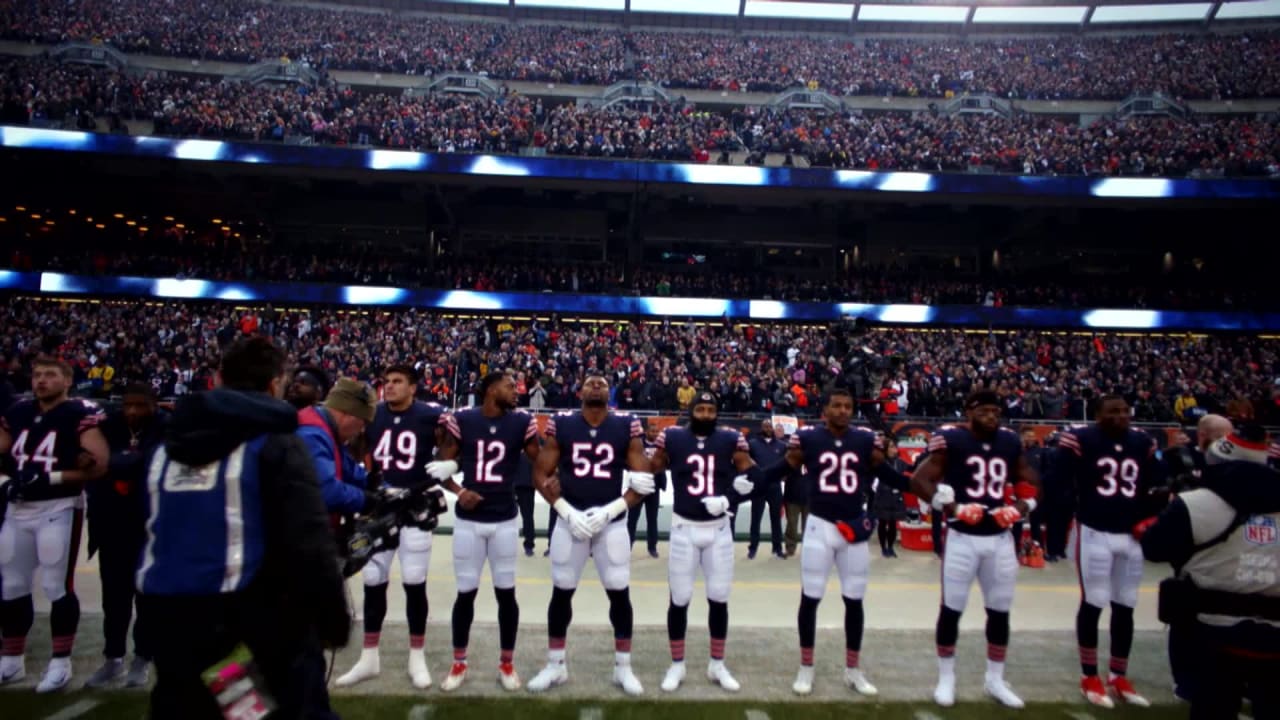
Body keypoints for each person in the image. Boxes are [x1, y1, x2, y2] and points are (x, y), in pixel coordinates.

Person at [134, 336, 351, 719]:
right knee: (270, 710)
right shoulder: (275, 445)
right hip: (245, 628)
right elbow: (309, 542)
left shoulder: (162, 448)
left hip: (167, 621)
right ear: (274, 385)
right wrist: (332, 619)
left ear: (217, 379)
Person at [768, 388, 903, 696]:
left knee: (854, 600)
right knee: (810, 598)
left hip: (853, 526)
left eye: (848, 405)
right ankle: (806, 668)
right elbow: (783, 468)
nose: (843, 410)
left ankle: (853, 670)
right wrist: (754, 480)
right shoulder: (809, 438)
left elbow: (887, 472)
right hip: (819, 526)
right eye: (837, 405)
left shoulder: (865, 439)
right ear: (825, 409)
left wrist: (922, 487)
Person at [911, 390, 1040, 709]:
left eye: (996, 411)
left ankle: (995, 679)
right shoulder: (952, 440)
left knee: (999, 611)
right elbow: (920, 480)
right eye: (984, 410)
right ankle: (946, 676)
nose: (992, 416)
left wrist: (1022, 506)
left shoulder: (1009, 442)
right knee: (951, 609)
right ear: (969, 412)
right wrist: (953, 508)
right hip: (962, 537)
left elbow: (1030, 479)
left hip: (999, 538)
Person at [1140, 426, 1280, 720]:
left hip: (1209, 632)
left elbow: (1153, 548)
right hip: (1274, 633)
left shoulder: (1195, 503)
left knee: (1212, 709)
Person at [527, 373, 654, 695]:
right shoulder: (563, 424)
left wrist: (611, 510)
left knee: (618, 592)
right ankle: (556, 665)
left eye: (601, 382)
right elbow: (540, 472)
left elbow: (643, 481)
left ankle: (623, 668)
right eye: (589, 382)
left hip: (610, 524)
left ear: (609, 391)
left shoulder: (626, 425)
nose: (596, 385)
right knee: (562, 591)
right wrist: (564, 510)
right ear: (578, 390)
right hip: (570, 522)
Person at [0, 355, 109, 692]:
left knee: (55, 586)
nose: (41, 381)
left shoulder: (80, 413)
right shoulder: (17, 412)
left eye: (50, 375)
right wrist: (5, 481)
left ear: (67, 380)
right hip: (18, 509)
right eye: (36, 374)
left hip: (58, 507)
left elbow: (99, 465)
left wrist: (51, 477)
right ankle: (12, 660)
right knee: (12, 584)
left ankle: (60, 663)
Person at [430, 372, 540, 692]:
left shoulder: (521, 422)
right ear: (491, 390)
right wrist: (458, 490)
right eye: (509, 385)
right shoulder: (464, 419)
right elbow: (440, 463)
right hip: (469, 520)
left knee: (506, 593)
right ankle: (459, 661)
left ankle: (507, 662)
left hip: (505, 518)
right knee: (466, 593)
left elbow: (543, 460)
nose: (516, 390)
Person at [335, 365, 444, 690]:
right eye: (387, 382)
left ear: (413, 387)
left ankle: (417, 655)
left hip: (414, 506)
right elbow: (353, 450)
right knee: (372, 579)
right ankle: (369, 657)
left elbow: (454, 447)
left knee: (414, 581)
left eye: (398, 382)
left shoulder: (431, 415)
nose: (390, 387)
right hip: (380, 505)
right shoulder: (372, 414)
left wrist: (443, 470)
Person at [649, 391, 758, 693]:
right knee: (679, 599)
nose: (707, 415)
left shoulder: (730, 439)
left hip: (719, 529)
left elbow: (753, 476)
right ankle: (677, 664)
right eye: (702, 409)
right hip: (684, 527)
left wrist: (729, 498)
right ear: (691, 409)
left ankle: (717, 664)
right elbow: (650, 467)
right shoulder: (672, 437)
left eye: (711, 410)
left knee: (719, 597)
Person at [1057, 395, 1158, 708]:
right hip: (1094, 531)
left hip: (1131, 533)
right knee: (1094, 601)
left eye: (1125, 410)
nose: (1121, 415)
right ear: (1098, 414)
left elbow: (1154, 482)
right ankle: (1089, 675)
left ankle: (1118, 675)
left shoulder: (1142, 441)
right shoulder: (1081, 438)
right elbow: (1060, 479)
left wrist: (1150, 515)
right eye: (1113, 410)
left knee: (1126, 605)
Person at [84, 383, 165, 689]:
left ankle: (143, 658)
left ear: (153, 405)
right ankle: (113, 658)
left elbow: (146, 464)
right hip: (111, 523)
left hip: (148, 526)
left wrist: (113, 464)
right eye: (128, 405)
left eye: (140, 405)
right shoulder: (108, 426)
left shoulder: (164, 428)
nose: (132, 411)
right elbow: (93, 461)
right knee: (114, 596)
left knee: (147, 598)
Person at [296, 377, 380, 517]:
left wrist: (369, 481)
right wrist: (365, 500)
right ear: (349, 414)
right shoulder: (311, 435)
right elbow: (325, 491)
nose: (361, 430)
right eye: (363, 422)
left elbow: (343, 465)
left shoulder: (325, 430)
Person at [747, 419, 786, 560]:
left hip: (775, 487)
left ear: (773, 428)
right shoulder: (752, 444)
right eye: (765, 426)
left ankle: (777, 548)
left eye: (770, 426)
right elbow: (746, 462)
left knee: (776, 519)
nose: (768, 428)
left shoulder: (782, 446)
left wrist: (783, 476)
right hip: (758, 487)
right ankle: (753, 548)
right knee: (755, 519)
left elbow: (786, 463)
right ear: (761, 428)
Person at [627, 420, 665, 558]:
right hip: (637, 487)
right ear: (646, 431)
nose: (655, 434)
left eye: (657, 431)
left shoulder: (661, 446)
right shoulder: (638, 443)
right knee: (632, 518)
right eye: (652, 431)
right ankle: (628, 545)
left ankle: (652, 547)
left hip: (653, 488)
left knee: (652, 519)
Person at [874, 438, 909, 558]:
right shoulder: (879, 461)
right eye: (891, 446)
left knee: (893, 523)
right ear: (885, 449)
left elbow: (913, 468)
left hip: (896, 496)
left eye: (895, 446)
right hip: (882, 494)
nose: (894, 449)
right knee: (883, 522)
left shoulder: (900, 462)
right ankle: (883, 548)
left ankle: (891, 547)